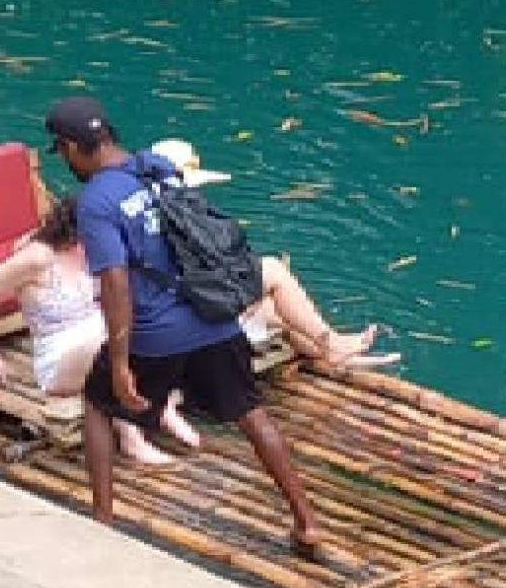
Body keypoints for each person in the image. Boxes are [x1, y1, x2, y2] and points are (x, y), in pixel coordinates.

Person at [46, 94, 325, 556]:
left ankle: (102, 519)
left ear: (73, 146)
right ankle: (306, 521)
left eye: (63, 151)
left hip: (155, 333)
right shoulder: (157, 168)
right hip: (213, 316)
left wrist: (119, 362)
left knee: (98, 403)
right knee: (250, 412)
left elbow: (116, 285)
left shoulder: (96, 202)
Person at [0, 196, 205, 467]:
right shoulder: (36, 258)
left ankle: (163, 405)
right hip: (61, 356)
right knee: (112, 342)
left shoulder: (95, 251)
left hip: (99, 332)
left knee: (156, 323)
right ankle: (132, 438)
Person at [141, 139, 395, 372]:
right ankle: (332, 345)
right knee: (272, 273)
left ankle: (331, 351)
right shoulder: (177, 218)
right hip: (179, 320)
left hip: (165, 311)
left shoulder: (146, 216)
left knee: (276, 309)